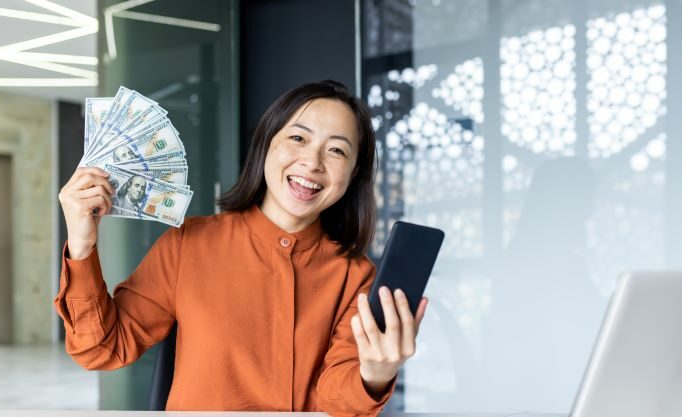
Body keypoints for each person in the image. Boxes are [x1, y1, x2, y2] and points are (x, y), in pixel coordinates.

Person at [55, 80, 428, 416]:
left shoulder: (355, 275)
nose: (312, 163)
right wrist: (83, 247)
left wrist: (375, 374)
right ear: (267, 144)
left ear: (353, 175)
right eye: (298, 138)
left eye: (337, 151)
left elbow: (336, 400)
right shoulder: (189, 245)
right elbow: (101, 349)